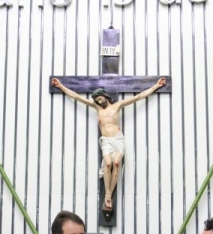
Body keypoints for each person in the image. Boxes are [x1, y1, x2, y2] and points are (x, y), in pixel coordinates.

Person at [51, 77, 167, 211]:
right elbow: (76, 96)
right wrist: (60, 86)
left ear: (105, 96)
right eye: (97, 100)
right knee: (107, 163)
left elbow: (140, 96)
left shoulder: (117, 106)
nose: (99, 101)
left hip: (118, 138)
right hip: (106, 140)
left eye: (100, 98)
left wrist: (156, 86)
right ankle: (107, 191)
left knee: (116, 163)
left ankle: (109, 194)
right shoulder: (97, 108)